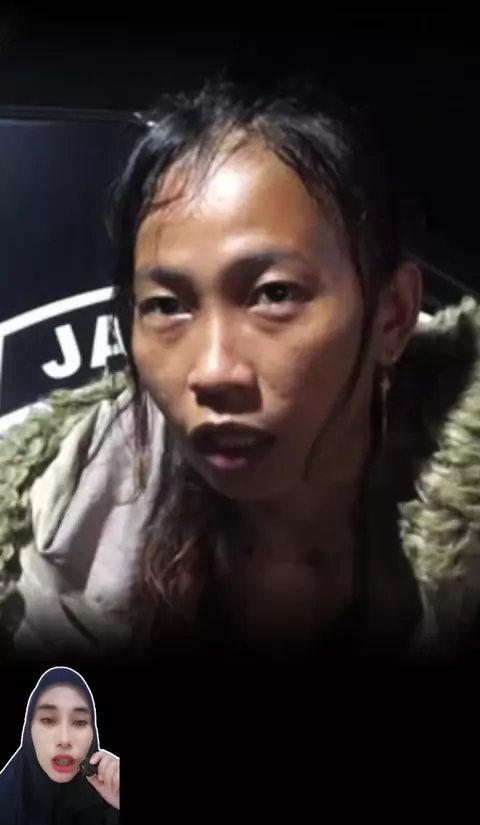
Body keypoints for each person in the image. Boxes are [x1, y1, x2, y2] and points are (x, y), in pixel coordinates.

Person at [0, 80, 479, 663]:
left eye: (274, 294)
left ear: (393, 314)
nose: (213, 371)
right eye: (166, 306)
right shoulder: (59, 529)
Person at [0, 666, 120, 825]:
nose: (64, 740)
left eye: (80, 722)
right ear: (29, 731)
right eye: (48, 720)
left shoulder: (111, 807)